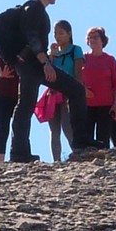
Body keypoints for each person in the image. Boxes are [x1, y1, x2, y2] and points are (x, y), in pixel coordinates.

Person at [0, 0, 87, 164]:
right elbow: (32, 37)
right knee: (27, 104)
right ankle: (20, 153)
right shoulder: (34, 8)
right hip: (31, 65)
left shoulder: (37, 10)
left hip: (32, 64)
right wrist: (45, 63)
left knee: (70, 91)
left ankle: (79, 142)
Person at [43, 20, 83, 161]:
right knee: (54, 130)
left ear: (69, 34)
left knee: (67, 126)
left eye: (61, 33)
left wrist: (77, 91)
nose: (57, 36)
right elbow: (46, 72)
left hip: (68, 92)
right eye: (55, 33)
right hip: (53, 93)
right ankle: (56, 161)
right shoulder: (52, 53)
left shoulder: (75, 50)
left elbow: (78, 72)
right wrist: (51, 56)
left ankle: (77, 155)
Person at [78, 27, 116, 151]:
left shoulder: (110, 60)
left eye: (95, 37)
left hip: (106, 105)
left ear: (103, 40)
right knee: (86, 138)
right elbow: (75, 77)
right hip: (86, 105)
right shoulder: (82, 58)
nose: (92, 40)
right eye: (90, 37)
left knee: (103, 139)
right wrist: (83, 89)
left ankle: (104, 161)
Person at [0, 44, 21, 161]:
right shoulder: (0, 44)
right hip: (0, 93)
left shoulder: (24, 45)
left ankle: (18, 155)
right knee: (2, 126)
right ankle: (0, 161)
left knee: (20, 125)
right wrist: (0, 73)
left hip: (19, 92)